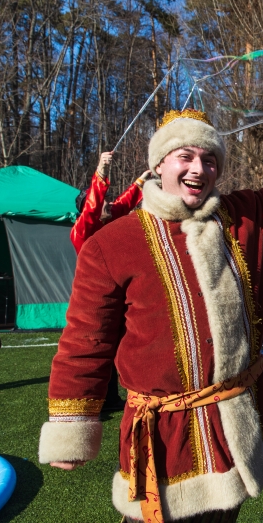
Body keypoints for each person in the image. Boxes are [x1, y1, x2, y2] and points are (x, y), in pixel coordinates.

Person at [38, 89, 263, 523]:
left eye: (210, 159)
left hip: (235, 423)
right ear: (159, 164)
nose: (199, 168)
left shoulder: (243, 216)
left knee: (225, 516)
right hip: (166, 438)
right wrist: (71, 428)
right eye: (185, 156)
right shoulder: (111, 243)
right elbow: (86, 341)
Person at [71, 153, 153, 412]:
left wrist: (143, 179)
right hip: (94, 299)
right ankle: (89, 401)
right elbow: (93, 207)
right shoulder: (82, 229)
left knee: (120, 345)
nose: (108, 203)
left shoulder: (109, 221)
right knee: (94, 350)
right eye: (103, 200)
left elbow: (125, 202)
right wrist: (101, 170)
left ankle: (110, 398)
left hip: (117, 293)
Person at [70, 151, 153, 254]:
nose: (111, 203)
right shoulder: (80, 231)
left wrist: (141, 181)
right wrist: (101, 172)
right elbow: (92, 209)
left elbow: (122, 204)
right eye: (106, 199)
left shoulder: (107, 219)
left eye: (110, 199)